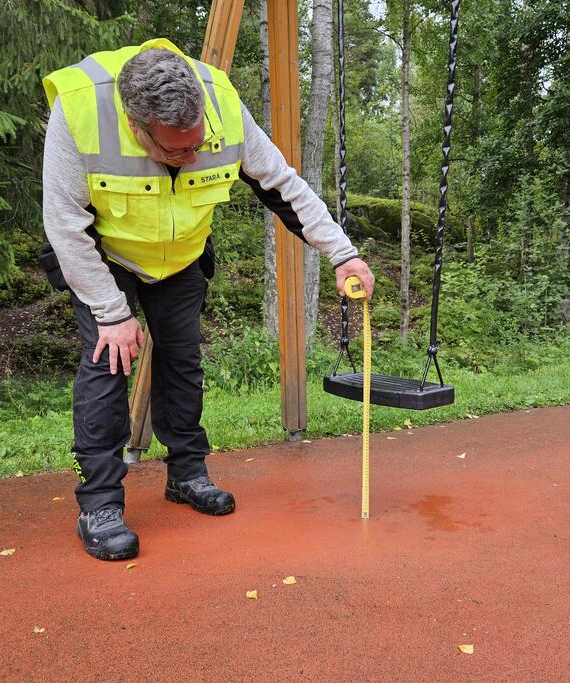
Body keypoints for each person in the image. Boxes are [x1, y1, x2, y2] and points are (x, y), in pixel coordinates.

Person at [40, 38, 374, 561]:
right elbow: (64, 225)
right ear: (136, 125)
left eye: (198, 144)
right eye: (176, 150)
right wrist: (112, 314)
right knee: (109, 364)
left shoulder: (220, 101)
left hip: (182, 255)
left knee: (183, 359)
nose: (192, 156)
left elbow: (280, 184)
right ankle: (100, 504)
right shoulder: (79, 109)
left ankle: (187, 475)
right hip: (105, 256)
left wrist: (344, 255)